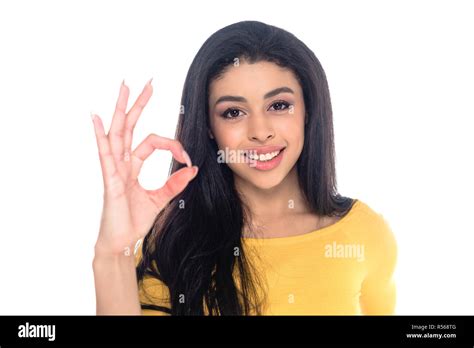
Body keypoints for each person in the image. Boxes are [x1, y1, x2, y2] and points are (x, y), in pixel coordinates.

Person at [91, 20, 397, 315]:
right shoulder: (175, 242)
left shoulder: (364, 233)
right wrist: (112, 254)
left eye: (279, 105)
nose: (260, 131)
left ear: (308, 111)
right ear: (209, 126)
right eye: (233, 112)